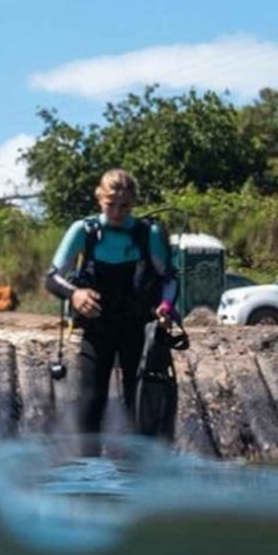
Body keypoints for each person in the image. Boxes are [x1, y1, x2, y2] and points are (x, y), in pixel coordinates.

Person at [44, 169, 178, 441]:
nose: (117, 211)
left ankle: (139, 475)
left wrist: (166, 307)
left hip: (137, 328)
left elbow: (170, 279)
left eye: (125, 206)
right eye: (111, 204)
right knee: (90, 403)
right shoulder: (84, 231)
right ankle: (87, 474)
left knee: (139, 405)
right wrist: (76, 295)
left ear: (133, 203)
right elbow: (52, 278)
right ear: (99, 198)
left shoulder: (147, 233)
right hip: (97, 327)